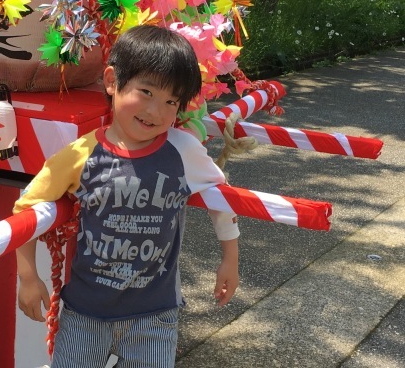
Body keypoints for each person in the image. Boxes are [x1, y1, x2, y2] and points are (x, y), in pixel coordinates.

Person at [14, 24, 240, 368]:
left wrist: (230, 259)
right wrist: (28, 277)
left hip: (155, 315)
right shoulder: (81, 154)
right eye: (146, 92)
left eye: (171, 102)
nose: (156, 111)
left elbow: (220, 198)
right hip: (85, 313)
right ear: (111, 81)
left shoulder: (183, 151)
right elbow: (26, 207)